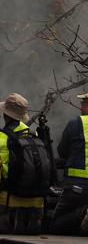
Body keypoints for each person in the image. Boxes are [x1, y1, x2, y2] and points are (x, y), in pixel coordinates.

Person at [0, 92, 45, 234]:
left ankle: (13, 219)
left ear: (5, 114)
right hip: (37, 199)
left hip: (9, 199)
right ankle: (31, 218)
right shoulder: (34, 136)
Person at [49, 91, 88, 234]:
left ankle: (84, 212)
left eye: (83, 103)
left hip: (75, 188)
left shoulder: (75, 124)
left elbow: (62, 151)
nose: (81, 106)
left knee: (56, 225)